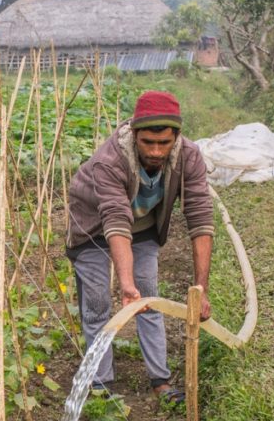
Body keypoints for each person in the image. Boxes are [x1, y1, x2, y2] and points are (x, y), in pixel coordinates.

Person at [65, 90, 213, 402]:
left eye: (165, 142)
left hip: (142, 224)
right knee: (97, 305)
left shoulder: (190, 155)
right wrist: (125, 282)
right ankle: (100, 384)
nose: (157, 151)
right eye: (149, 143)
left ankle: (160, 380)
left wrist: (201, 288)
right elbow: (116, 220)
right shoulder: (110, 160)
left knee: (149, 299)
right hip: (92, 225)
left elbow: (200, 217)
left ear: (177, 136)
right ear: (135, 135)